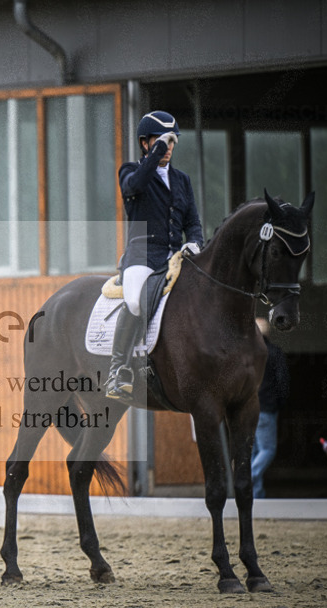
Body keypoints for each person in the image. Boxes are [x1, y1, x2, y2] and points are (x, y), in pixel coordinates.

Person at [106, 111, 203, 401]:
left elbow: (193, 222)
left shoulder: (182, 180)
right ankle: (118, 370)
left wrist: (196, 242)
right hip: (142, 257)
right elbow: (133, 187)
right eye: (163, 142)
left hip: (175, 258)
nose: (169, 147)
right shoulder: (131, 172)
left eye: (173, 142)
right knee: (135, 301)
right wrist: (158, 149)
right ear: (145, 143)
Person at [250, 316, 290, 499]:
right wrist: (278, 404)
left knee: (253, 451)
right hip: (266, 408)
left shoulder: (247, 354)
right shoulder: (274, 353)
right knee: (267, 450)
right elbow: (283, 384)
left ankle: (256, 495)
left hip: (248, 409)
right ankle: (248, 477)